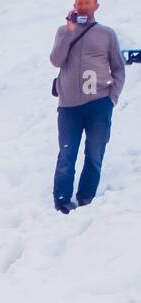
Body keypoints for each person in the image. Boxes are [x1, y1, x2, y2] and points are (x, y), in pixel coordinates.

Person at [51, 0, 127, 213]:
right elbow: (56, 60)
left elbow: (119, 69)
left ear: (96, 6)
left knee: (94, 154)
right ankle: (62, 201)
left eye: (88, 2)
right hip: (68, 107)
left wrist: (112, 98)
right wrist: (69, 31)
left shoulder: (107, 34)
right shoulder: (63, 32)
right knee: (67, 155)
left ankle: (86, 197)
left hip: (99, 104)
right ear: (74, 5)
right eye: (79, 2)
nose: (83, 6)